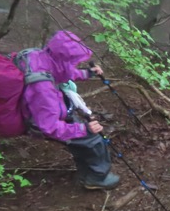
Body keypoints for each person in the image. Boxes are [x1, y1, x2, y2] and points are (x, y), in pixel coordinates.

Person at [20, 31, 120, 190]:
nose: (74, 64)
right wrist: (83, 129)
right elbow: (49, 127)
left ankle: (86, 172)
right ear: (63, 58)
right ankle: (97, 178)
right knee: (93, 138)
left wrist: (87, 74)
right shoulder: (43, 89)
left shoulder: (41, 56)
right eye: (73, 61)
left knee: (83, 136)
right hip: (40, 117)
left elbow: (61, 71)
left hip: (46, 108)